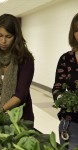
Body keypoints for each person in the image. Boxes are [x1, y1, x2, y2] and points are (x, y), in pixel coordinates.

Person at [52, 13, 78, 150]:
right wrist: (61, 98)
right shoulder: (66, 59)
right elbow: (57, 87)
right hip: (71, 124)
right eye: (77, 30)